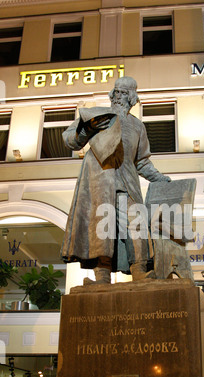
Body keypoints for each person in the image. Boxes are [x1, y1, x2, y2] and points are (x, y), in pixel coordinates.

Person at [61, 76, 171, 284]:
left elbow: (142, 162)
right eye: (116, 92)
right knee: (102, 227)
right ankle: (101, 276)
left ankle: (139, 270)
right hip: (99, 183)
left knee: (136, 224)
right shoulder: (96, 115)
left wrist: (160, 179)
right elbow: (69, 139)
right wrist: (88, 129)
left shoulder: (138, 127)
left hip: (127, 183)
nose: (118, 97)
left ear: (132, 98)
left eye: (124, 93)